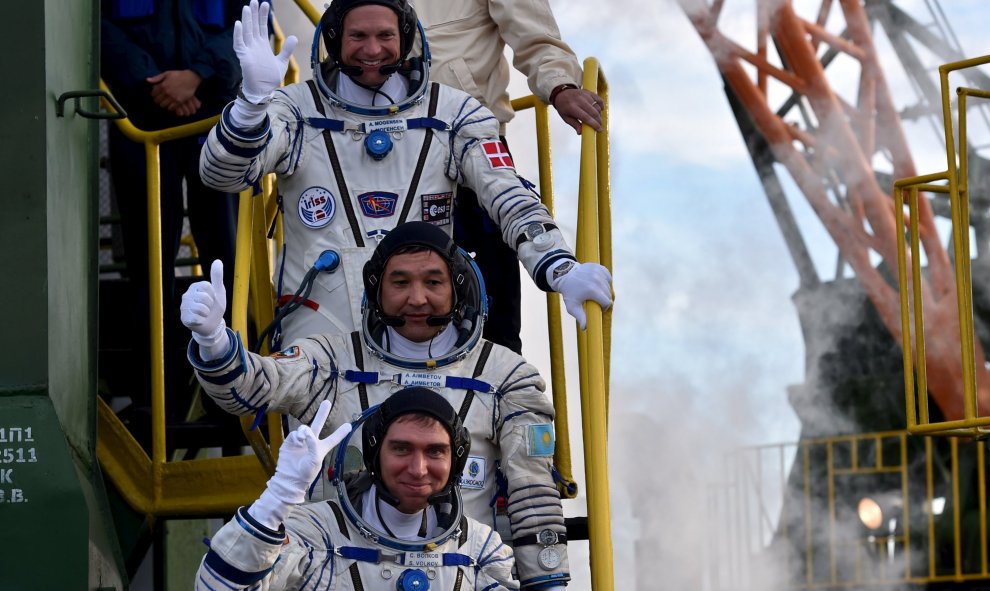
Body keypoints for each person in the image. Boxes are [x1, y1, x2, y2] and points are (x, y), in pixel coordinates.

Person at [198, 0, 612, 349]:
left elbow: (535, 37)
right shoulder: (298, 109)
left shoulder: (455, 114)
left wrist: (559, 85)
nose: (372, 48)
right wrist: (252, 105)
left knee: (487, 329)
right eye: (359, 38)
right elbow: (222, 175)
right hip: (360, 162)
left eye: (385, 37)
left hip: (460, 154)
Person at [182, 222, 574, 589]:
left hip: (454, 565)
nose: (416, 298)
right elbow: (253, 388)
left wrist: (548, 581)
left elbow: (533, 492)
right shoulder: (332, 361)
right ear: (375, 290)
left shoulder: (508, 377)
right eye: (400, 282)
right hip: (333, 560)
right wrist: (215, 343)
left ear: (458, 288)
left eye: (433, 282)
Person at [415, 0, 606, 352]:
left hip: (468, 143)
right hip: (372, 151)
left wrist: (560, 85)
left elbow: (537, 36)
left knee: (487, 317)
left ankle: (498, 394)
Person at [195, 389, 518, 590]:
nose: (418, 469)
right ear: (375, 454)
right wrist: (278, 496)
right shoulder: (314, 533)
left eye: (435, 452)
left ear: (455, 462)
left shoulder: (478, 550)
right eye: (402, 449)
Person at [101, 0, 241, 417]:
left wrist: (197, 74)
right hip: (139, 119)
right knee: (148, 261)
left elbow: (250, 24)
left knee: (227, 257)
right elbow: (99, 29)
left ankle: (233, 392)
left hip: (215, 117)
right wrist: (155, 83)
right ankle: (155, 398)